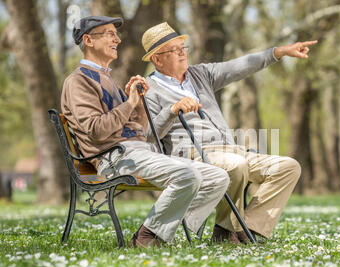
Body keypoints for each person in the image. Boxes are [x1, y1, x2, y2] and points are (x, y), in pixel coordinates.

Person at [61, 16, 230, 248]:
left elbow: (139, 131)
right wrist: (128, 103)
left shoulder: (107, 78)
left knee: (218, 177)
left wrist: (137, 103)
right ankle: (146, 238)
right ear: (88, 40)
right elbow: (96, 131)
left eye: (115, 34)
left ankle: (169, 232)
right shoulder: (78, 82)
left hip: (138, 152)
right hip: (115, 159)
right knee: (187, 175)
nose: (117, 39)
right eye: (109, 34)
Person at [141, 22, 317, 244]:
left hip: (230, 149)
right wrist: (171, 110)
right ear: (157, 59)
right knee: (235, 164)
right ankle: (227, 231)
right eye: (174, 50)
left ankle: (248, 229)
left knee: (288, 167)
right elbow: (148, 134)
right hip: (191, 154)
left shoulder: (200, 74)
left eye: (182, 48)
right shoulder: (148, 88)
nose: (182, 53)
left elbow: (241, 65)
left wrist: (279, 52)